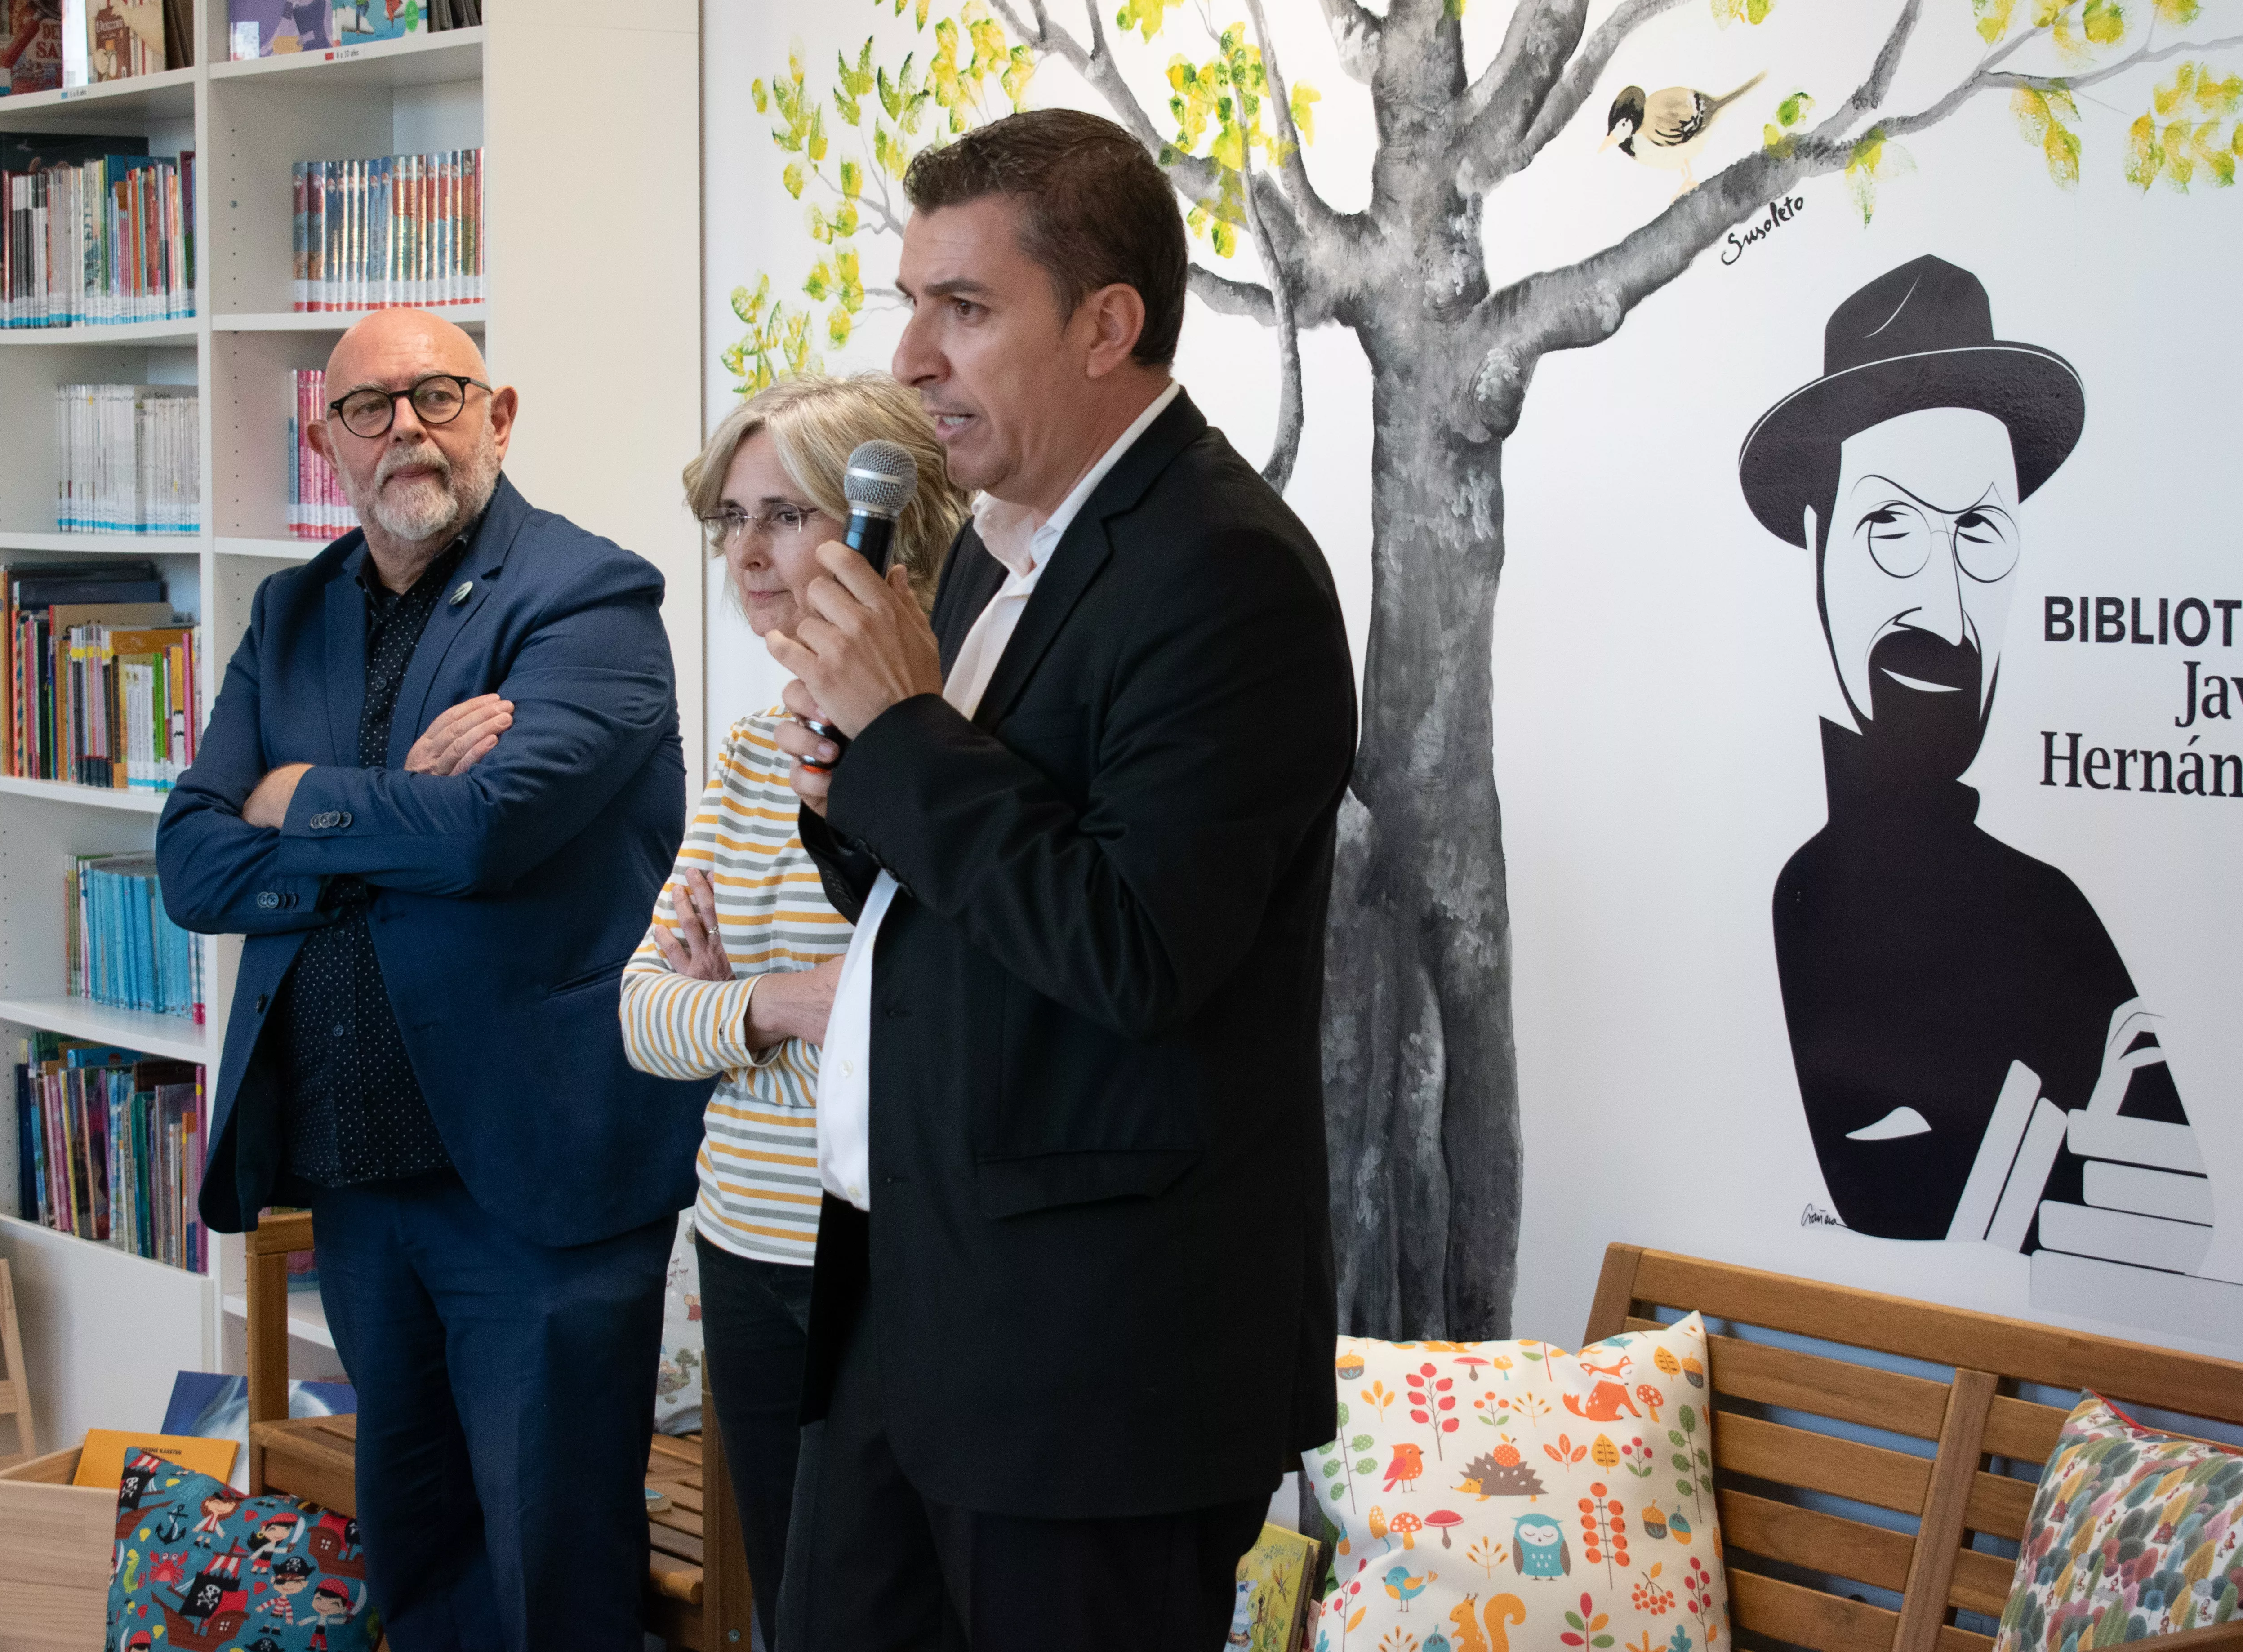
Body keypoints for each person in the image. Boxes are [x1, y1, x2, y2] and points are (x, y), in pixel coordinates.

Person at [766, 107, 1357, 1650]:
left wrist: (900, 735)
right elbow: (958, 900)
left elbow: (1137, 947)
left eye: (964, 308)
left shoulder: (1229, 574)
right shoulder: (986, 544)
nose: (911, 355)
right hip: (915, 1295)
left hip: (1096, 1371)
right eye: (912, 302)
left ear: (1109, 325)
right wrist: (856, 791)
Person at [156, 307, 707, 1652]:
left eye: (440, 395)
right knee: (423, 1554)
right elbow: (190, 861)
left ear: (499, 415)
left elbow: (492, 832)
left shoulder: (591, 598)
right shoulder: (290, 614)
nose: (407, 425)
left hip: (535, 1177)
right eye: (370, 406)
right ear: (326, 438)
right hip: (360, 1181)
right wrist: (395, 803)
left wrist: (297, 802)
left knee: (555, 1567)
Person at [1738, 255, 2217, 1279]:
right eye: (1892, 527)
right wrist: (2073, 1150)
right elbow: (1882, 1204)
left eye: (1980, 533)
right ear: (1815, 542)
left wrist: (2024, 1158)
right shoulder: (1799, 900)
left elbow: (2181, 1216)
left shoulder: (2052, 911)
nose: (1946, 609)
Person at [620, 372, 965, 1648]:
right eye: (732, 518)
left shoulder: (943, 734)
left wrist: (751, 1008)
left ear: (884, 528)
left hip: (876, 1253)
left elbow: (921, 1020)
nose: (748, 553)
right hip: (743, 1244)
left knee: (886, 1618)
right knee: (792, 1607)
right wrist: (774, 1005)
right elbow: (644, 1013)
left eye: (786, 515)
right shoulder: (761, 744)